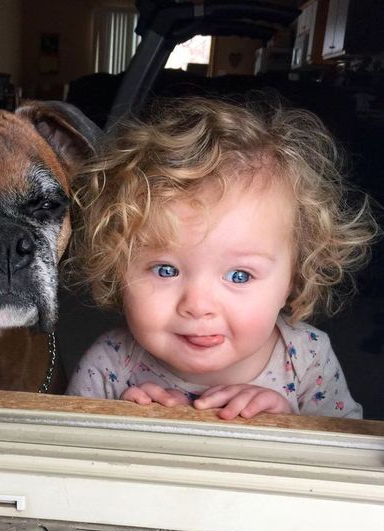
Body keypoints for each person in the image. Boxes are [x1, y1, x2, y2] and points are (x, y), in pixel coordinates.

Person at [66, 96, 380, 420]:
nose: (198, 306)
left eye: (239, 275)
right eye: (165, 270)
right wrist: (113, 427)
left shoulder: (307, 359)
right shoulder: (109, 364)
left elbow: (346, 458)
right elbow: (60, 459)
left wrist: (291, 424)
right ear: (117, 266)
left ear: (294, 278)